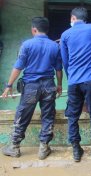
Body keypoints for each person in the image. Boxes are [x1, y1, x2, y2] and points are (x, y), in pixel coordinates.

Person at [1, 17, 62, 160]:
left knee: (22, 115)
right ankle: (43, 148)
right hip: (48, 85)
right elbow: (59, 69)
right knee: (48, 115)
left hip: (31, 86)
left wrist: (8, 85)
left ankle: (14, 147)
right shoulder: (54, 46)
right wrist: (59, 84)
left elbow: (18, 66)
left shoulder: (27, 44)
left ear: (34, 29)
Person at [60, 7, 91, 162]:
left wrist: (71, 77)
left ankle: (76, 150)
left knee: (73, 116)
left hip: (74, 82)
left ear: (73, 18)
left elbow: (65, 61)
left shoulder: (65, 35)